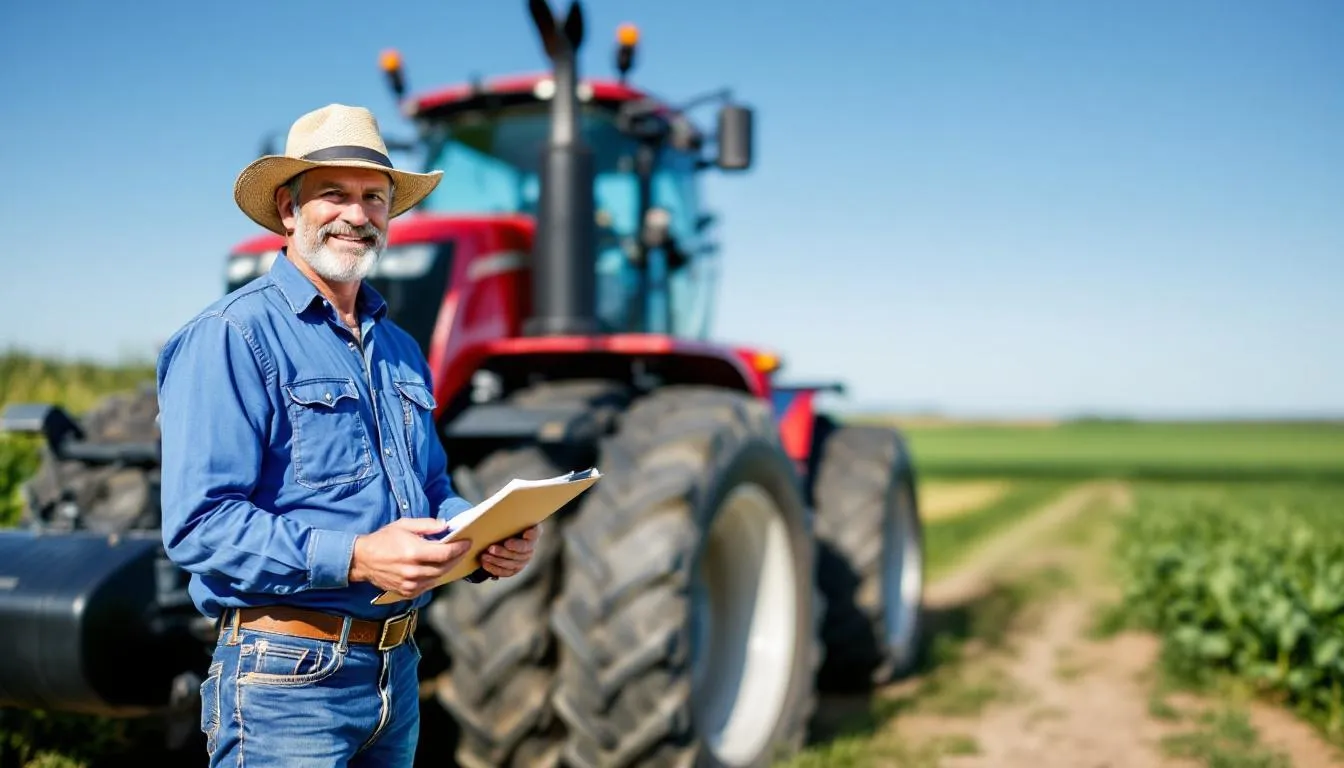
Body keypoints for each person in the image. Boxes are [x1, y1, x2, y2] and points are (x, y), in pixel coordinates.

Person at [156, 103, 539, 767]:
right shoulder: (231, 335)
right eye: (334, 195)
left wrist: (478, 536)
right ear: (287, 210)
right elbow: (200, 526)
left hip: (395, 675)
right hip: (285, 681)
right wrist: (357, 557)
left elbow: (430, 488)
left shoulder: (400, 349)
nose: (357, 216)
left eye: (374, 198)